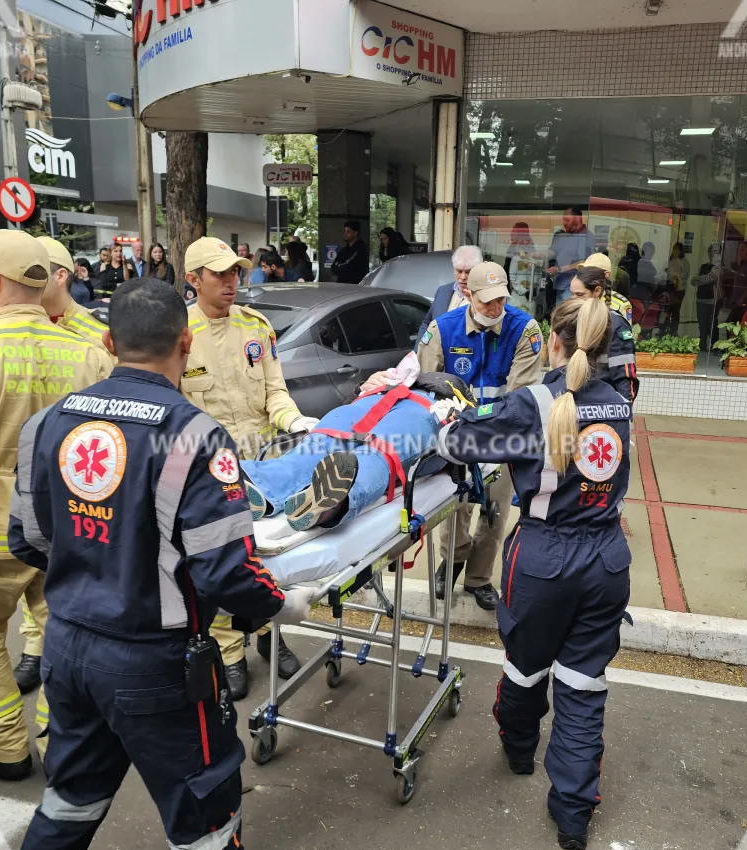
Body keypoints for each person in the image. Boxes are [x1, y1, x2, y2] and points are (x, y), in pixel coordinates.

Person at [0, 278, 312, 850]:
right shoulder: (194, 436)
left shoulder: (47, 425)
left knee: (71, 795)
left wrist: (97, 569)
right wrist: (279, 605)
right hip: (156, 664)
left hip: (68, 647)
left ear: (111, 342)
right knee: (203, 821)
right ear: (186, 343)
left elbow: (26, 540)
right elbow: (223, 570)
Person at [435, 293, 631, 850]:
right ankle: (573, 815)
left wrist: (444, 416)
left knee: (525, 668)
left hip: (544, 561)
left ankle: (520, 751)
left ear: (555, 341)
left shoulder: (533, 404)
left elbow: (461, 443)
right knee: (583, 683)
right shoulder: (619, 403)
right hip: (607, 558)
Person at [0, 229, 112, 781]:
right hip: (66, 530)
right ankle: (61, 743)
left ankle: (5, 749)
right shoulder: (88, 358)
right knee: (62, 632)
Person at [181, 237, 317, 699]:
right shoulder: (179, 335)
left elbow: (273, 392)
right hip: (209, 474)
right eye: (218, 274)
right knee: (222, 563)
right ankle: (230, 651)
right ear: (193, 279)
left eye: (235, 272)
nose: (230, 281)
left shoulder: (257, 328)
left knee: (266, 557)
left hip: (264, 465)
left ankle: (269, 636)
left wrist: (294, 418)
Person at [8, 238, 115, 697]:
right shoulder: (8, 332)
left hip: (76, 489)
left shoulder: (92, 336)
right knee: (31, 582)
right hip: (14, 489)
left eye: (38, 269)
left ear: (61, 276)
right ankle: (33, 648)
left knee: (63, 592)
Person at [415, 262, 543, 611]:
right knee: (454, 506)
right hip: (458, 436)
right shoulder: (443, 330)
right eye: (486, 301)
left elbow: (522, 396)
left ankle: (478, 579)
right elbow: (426, 387)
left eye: (500, 299)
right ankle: (452, 562)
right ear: (468, 293)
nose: (494, 308)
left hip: (502, 438)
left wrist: (489, 428)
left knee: (495, 512)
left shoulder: (525, 331)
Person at [243, 370, 474, 530]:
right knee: (324, 441)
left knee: (377, 450)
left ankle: (329, 501)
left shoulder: (460, 397)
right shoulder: (397, 373)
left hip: (428, 409)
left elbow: (472, 436)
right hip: (377, 396)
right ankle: (261, 486)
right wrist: (365, 385)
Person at [570, 265, 639, 405]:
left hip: (603, 407)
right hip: (574, 402)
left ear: (597, 291)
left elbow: (624, 379)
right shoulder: (571, 319)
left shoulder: (615, 325)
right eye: (572, 294)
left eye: (579, 295)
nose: (574, 300)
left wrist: (624, 413)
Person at [415, 245, 483, 350]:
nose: (463, 277)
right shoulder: (443, 291)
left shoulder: (486, 297)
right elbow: (428, 324)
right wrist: (420, 349)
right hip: (436, 358)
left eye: (468, 272)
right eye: (459, 271)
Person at [546, 208, 596, 301]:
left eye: (567, 220)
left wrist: (559, 269)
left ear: (577, 219)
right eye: (563, 220)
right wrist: (530, 254)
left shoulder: (586, 236)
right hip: (560, 286)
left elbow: (584, 262)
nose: (564, 223)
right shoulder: (567, 236)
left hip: (572, 289)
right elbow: (551, 252)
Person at [691, 242, 724, 351]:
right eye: (710, 251)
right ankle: (702, 344)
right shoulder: (703, 266)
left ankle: (715, 346)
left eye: (715, 251)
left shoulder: (719, 266)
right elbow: (693, 280)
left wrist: (699, 279)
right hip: (701, 298)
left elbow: (711, 277)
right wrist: (700, 279)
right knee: (702, 324)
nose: (712, 254)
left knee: (712, 324)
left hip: (713, 300)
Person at [330, 220, 369, 284]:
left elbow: (349, 267)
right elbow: (333, 267)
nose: (345, 234)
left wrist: (339, 265)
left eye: (348, 231)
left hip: (354, 286)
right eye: (345, 231)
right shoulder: (344, 250)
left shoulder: (360, 249)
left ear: (355, 233)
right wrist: (340, 266)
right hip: (341, 285)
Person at [665, 242, 690, 336]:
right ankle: (665, 328)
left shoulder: (685, 262)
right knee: (667, 308)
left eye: (677, 250)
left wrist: (678, 280)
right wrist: (670, 278)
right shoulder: (670, 261)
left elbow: (686, 275)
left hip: (680, 289)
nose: (675, 252)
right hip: (670, 287)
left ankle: (674, 330)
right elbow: (667, 272)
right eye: (674, 249)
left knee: (676, 309)